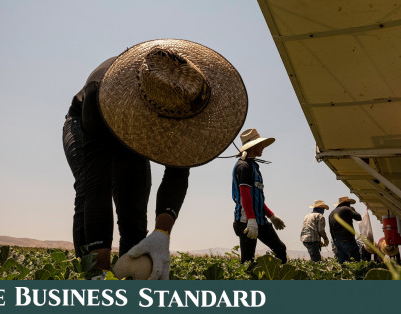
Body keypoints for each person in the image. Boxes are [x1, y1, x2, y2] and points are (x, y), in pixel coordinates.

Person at [63, 39, 248, 279]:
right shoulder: (100, 89)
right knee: (89, 191)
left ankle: (130, 272)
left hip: (132, 129)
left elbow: (178, 172)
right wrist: (100, 269)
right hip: (87, 121)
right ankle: (89, 270)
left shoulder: (187, 98)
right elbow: (97, 186)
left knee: (133, 206)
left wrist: (162, 233)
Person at [231, 128, 287, 264]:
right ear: (253, 146)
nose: (263, 147)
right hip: (246, 222)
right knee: (248, 261)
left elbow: (256, 198)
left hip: (260, 220)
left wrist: (271, 216)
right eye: (260, 144)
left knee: (280, 248)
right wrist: (250, 219)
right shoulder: (243, 166)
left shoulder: (254, 167)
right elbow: (245, 195)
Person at [329, 196, 362, 264]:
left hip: (337, 240)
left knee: (343, 261)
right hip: (347, 239)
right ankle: (356, 274)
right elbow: (359, 218)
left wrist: (335, 242)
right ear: (347, 203)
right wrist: (353, 210)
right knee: (354, 259)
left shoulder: (331, 213)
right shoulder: (346, 209)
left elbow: (331, 230)